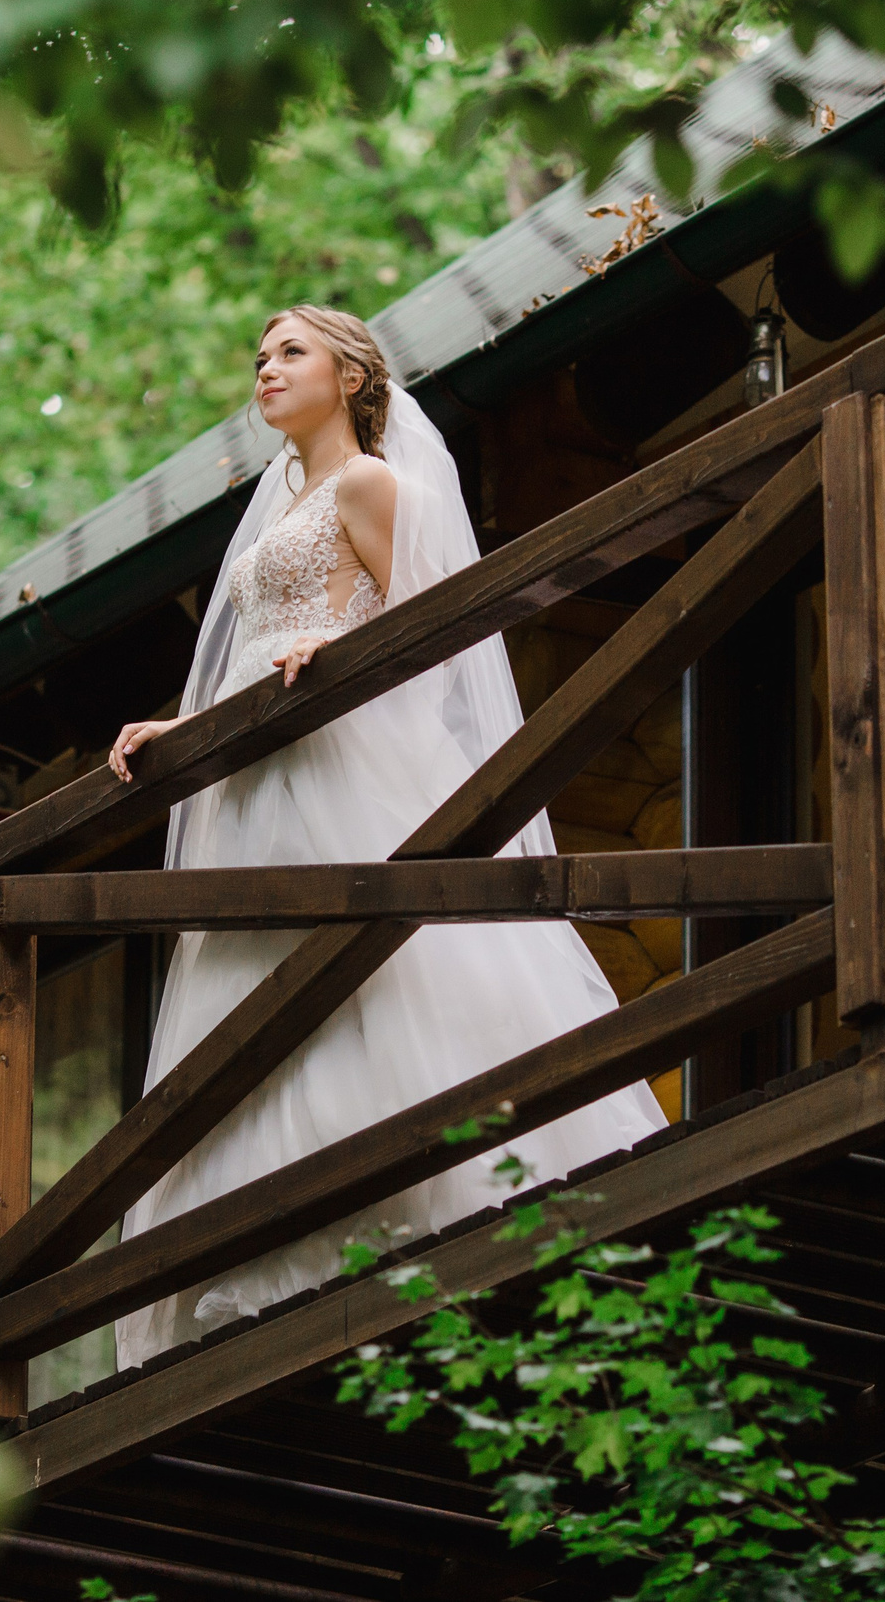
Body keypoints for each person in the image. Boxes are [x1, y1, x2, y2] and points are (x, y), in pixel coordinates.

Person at [105, 306, 667, 1367]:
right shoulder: (278, 504)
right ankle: (264, 1252)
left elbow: (432, 641)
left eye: (289, 353)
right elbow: (256, 647)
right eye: (259, 357)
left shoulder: (370, 486)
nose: (264, 370)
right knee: (257, 985)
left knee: (380, 973)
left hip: (345, 763)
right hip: (259, 779)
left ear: (350, 375)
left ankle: (429, 1215)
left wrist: (339, 646)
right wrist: (184, 727)